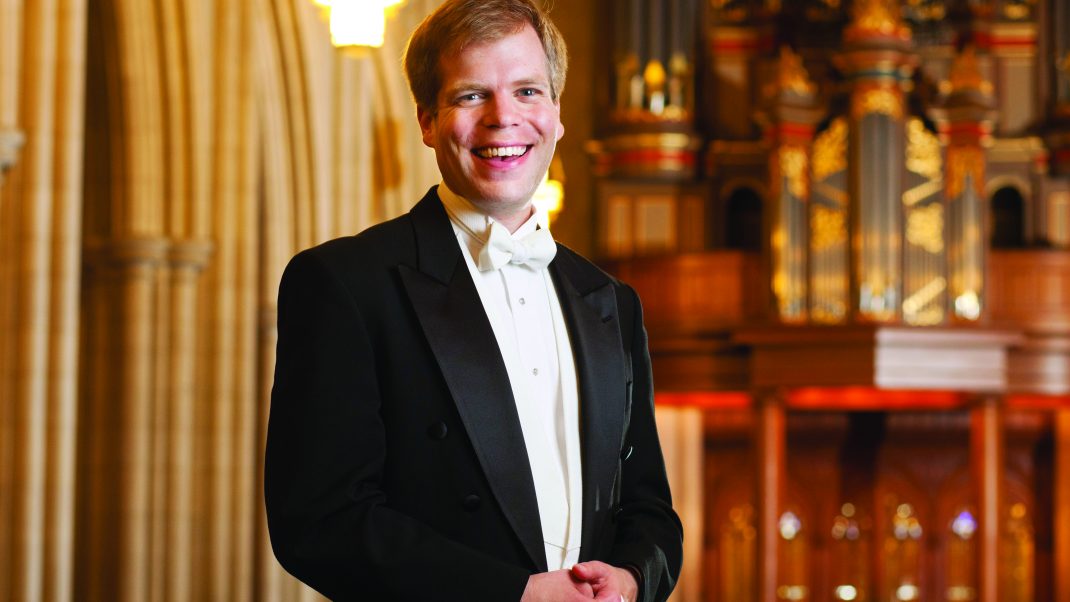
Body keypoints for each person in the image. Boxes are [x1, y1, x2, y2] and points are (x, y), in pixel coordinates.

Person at [264, 0, 682, 600]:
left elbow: (649, 510)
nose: (503, 118)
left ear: (557, 115)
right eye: (470, 96)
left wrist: (632, 577)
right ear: (428, 121)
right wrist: (515, 594)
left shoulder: (612, 301)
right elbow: (320, 522)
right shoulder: (345, 283)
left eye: (528, 91)